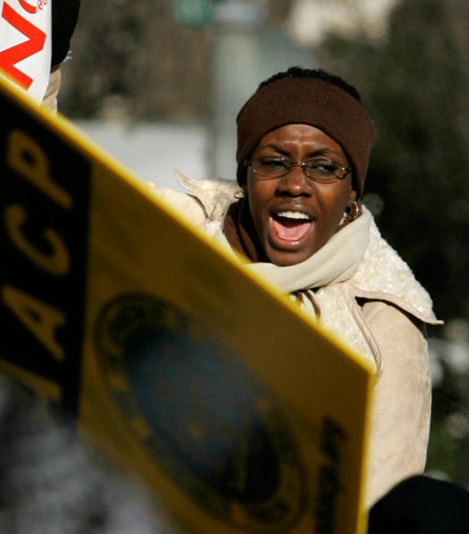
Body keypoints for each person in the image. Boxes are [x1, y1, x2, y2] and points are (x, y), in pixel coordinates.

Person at [155, 66, 440, 508]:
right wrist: (48, 68)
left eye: (324, 168)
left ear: (352, 192)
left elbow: (381, 516)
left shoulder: (384, 321)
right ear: (245, 173)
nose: (294, 185)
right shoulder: (169, 233)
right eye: (273, 162)